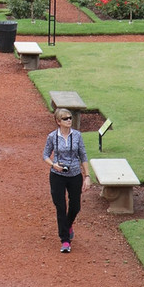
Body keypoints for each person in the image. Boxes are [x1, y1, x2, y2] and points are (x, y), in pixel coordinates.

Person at [43, 108, 90, 253]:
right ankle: (65, 240)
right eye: (65, 118)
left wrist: (87, 176)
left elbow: (83, 156)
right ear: (58, 121)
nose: (69, 120)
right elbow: (45, 155)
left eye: (70, 118)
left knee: (75, 206)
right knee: (61, 207)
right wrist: (53, 165)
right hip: (57, 176)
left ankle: (68, 225)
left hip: (75, 175)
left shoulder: (77, 136)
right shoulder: (52, 137)